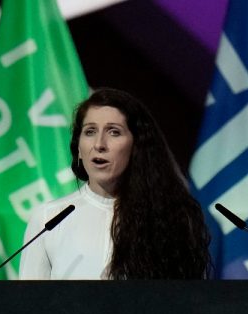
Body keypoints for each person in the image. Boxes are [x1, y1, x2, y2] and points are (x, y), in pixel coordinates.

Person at [19, 87, 211, 280]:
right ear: (78, 147)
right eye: (90, 131)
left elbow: (190, 303)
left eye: (114, 132)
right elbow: (29, 305)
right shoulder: (48, 220)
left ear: (137, 146)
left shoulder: (172, 218)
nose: (99, 144)